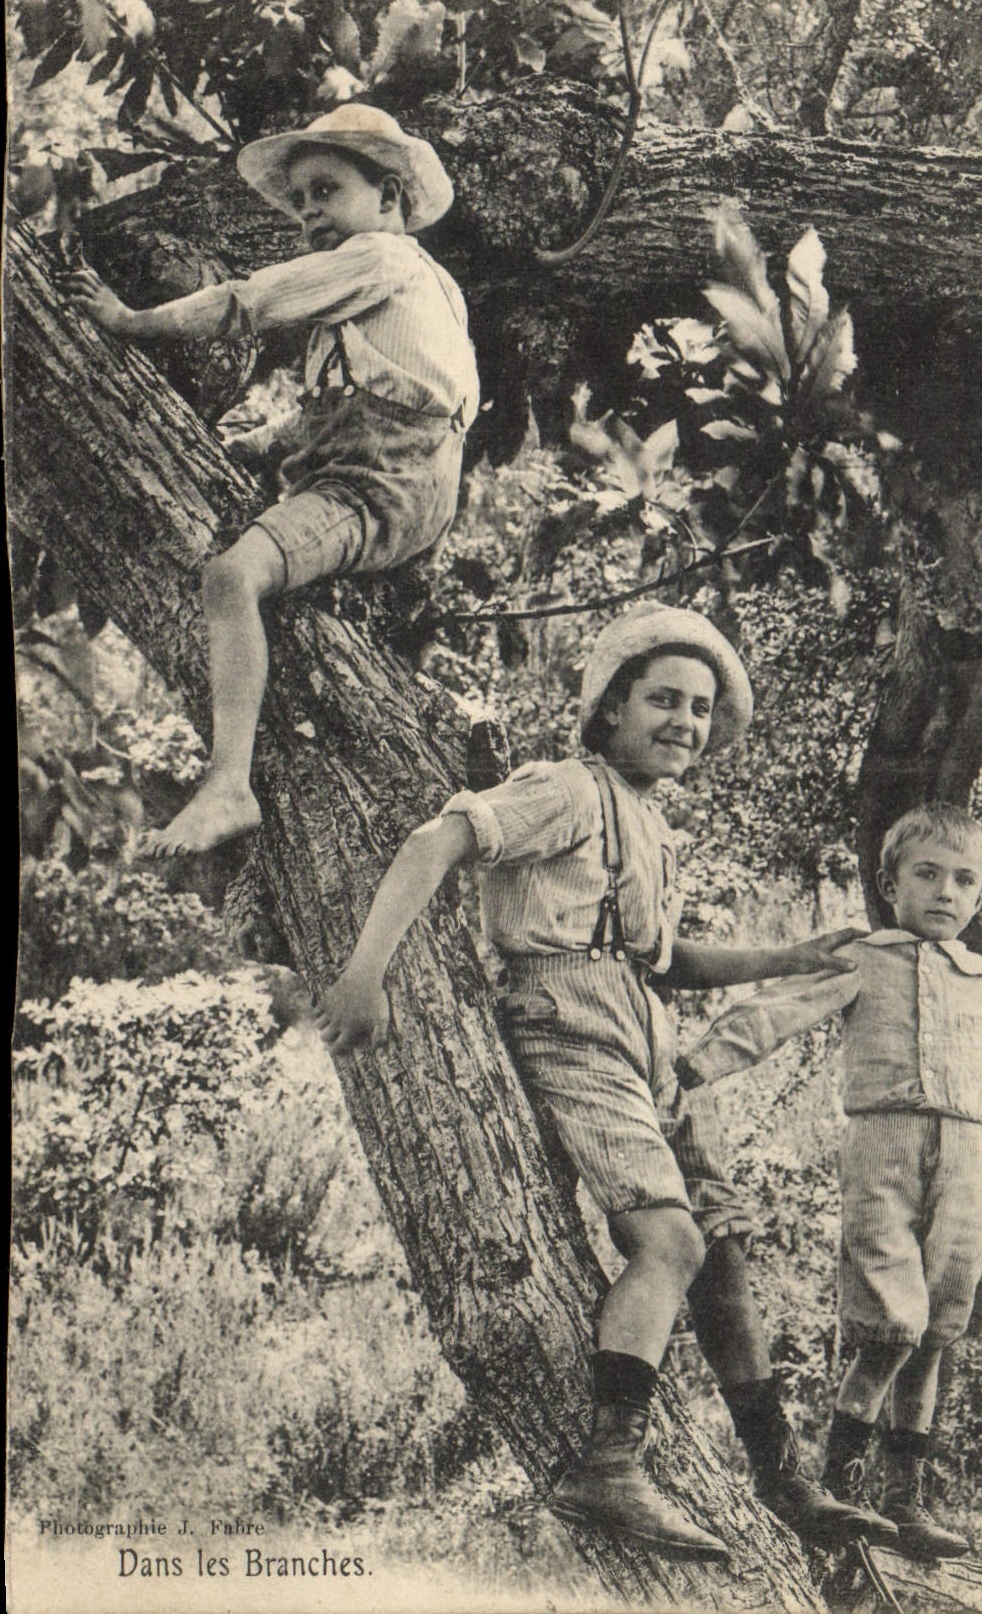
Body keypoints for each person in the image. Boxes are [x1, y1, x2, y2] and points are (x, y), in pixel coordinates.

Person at [314, 599, 885, 1556]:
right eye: (664, 699)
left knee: (721, 1243)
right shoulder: (567, 788)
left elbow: (662, 959)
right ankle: (609, 1465)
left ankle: (783, 1477)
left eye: (701, 710)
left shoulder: (650, 824)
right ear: (610, 708)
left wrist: (791, 954)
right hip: (567, 1023)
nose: (685, 724)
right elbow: (438, 841)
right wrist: (364, 972)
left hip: (644, 1037)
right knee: (667, 1241)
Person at [62, 104, 479, 857]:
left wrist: (129, 321)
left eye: (327, 189)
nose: (311, 210)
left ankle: (228, 785)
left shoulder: (382, 257)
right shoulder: (414, 292)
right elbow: (351, 404)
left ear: (389, 199)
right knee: (271, 573)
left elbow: (245, 301)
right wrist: (258, 443)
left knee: (231, 577)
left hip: (382, 485)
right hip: (400, 481)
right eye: (302, 201)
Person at [686, 803, 982, 1558]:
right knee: (891, 1323)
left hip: (970, 1161)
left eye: (964, 880)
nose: (946, 892)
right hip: (883, 1149)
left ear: (980, 895)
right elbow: (776, 1012)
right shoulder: (864, 958)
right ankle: (836, 1493)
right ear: (889, 884)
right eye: (928, 875)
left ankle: (903, 1503)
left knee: (937, 1331)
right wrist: (696, 1068)